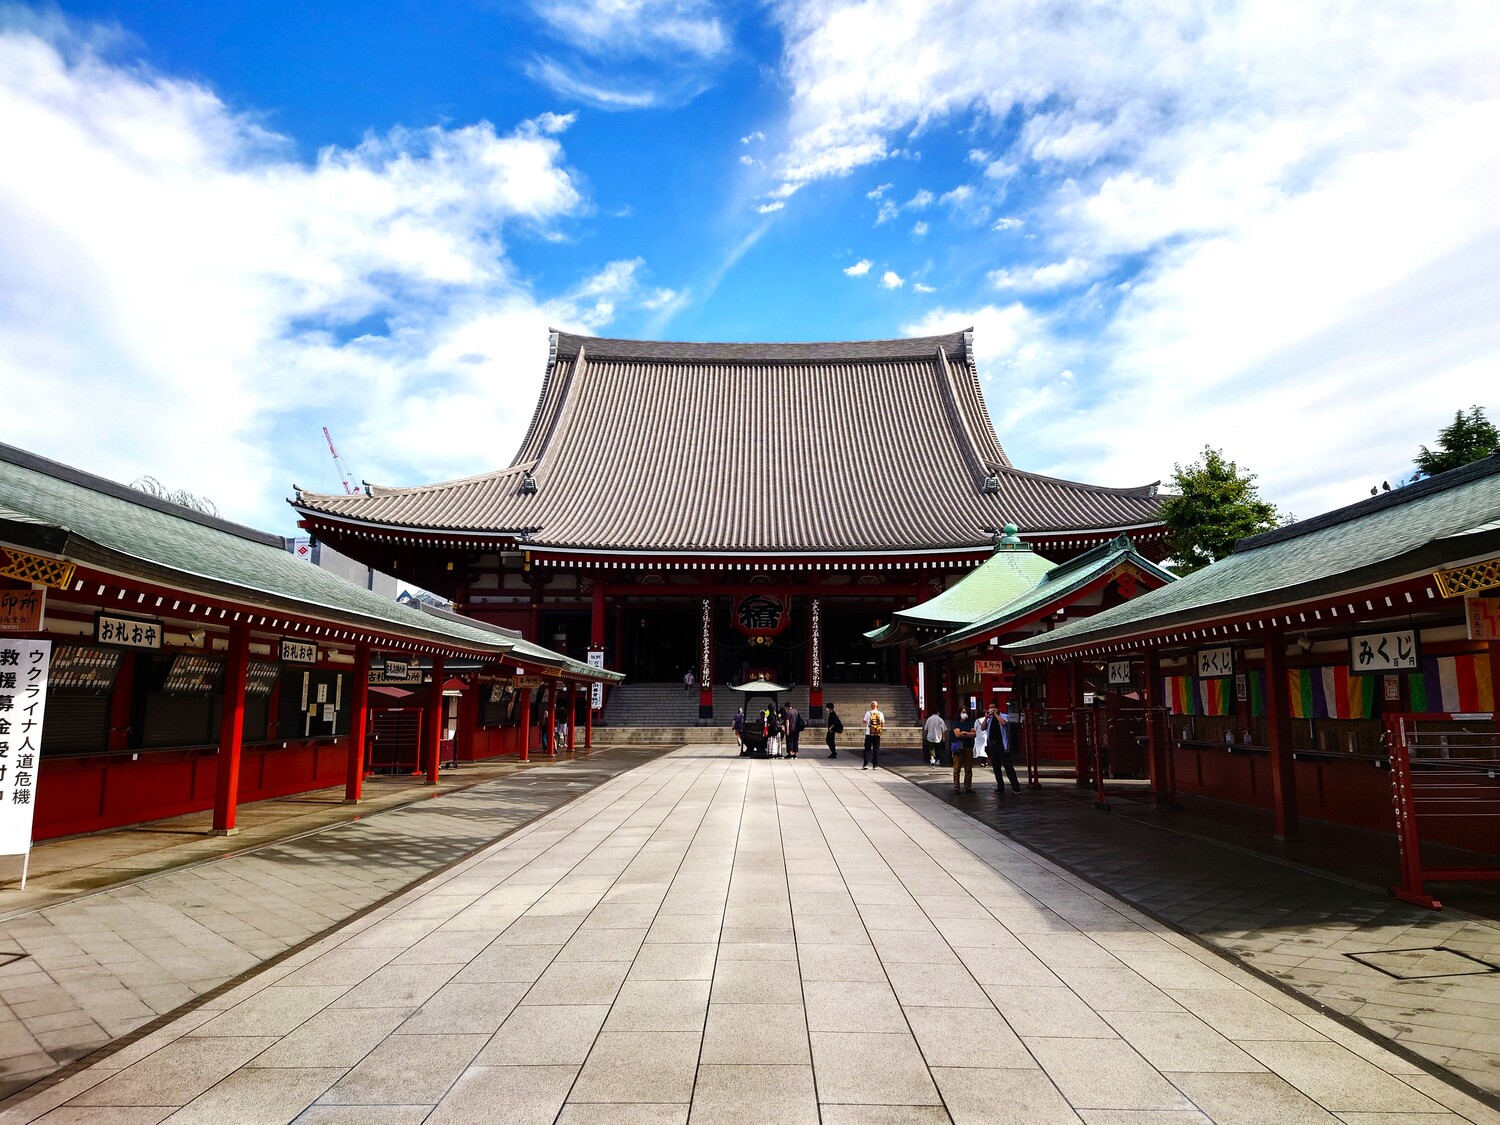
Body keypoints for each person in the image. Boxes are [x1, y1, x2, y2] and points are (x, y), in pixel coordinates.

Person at [986, 704, 1021, 794]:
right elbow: (983, 727)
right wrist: (986, 717)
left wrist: (996, 715)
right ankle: (1000, 786)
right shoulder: (989, 719)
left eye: (993, 707)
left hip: (1002, 745)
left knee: (1008, 767)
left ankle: (1016, 787)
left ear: (997, 708)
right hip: (992, 745)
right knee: (996, 767)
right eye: (990, 708)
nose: (991, 709)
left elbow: (1004, 723)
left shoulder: (1004, 716)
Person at [951, 709, 976, 793]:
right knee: (957, 767)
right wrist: (967, 734)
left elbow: (974, 734)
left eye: (966, 712)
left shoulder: (970, 723)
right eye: (963, 712)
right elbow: (957, 734)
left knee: (968, 767)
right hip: (958, 747)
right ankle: (956, 786)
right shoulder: (956, 723)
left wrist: (964, 733)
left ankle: (968, 786)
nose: (965, 714)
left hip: (968, 746)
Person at [862, 700, 885, 770]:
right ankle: (875, 765)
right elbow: (882, 723)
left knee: (867, 749)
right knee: (876, 750)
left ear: (871, 706)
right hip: (877, 733)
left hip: (869, 733)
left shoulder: (868, 713)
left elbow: (864, 721)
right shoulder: (880, 713)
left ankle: (865, 764)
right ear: (877, 706)